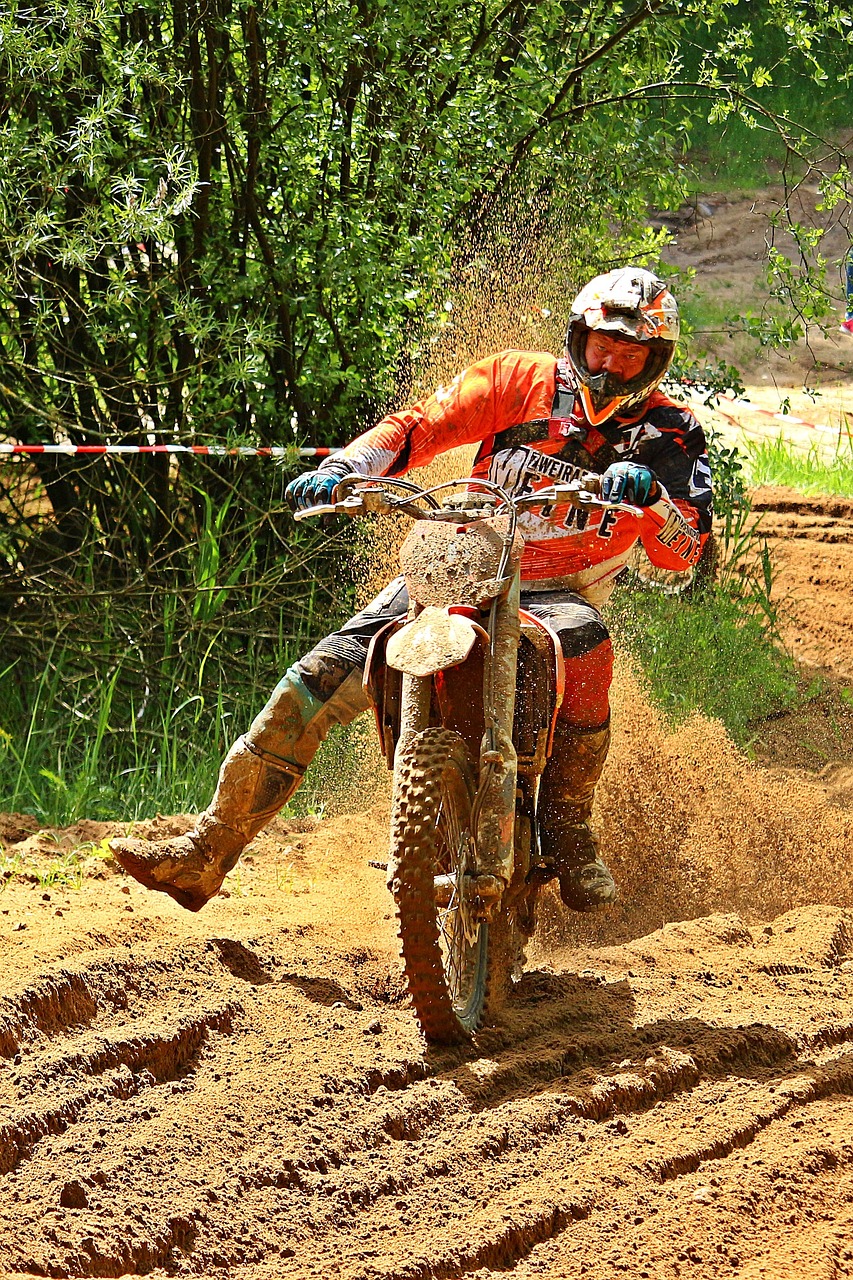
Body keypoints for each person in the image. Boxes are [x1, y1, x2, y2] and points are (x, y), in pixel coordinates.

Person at [111, 267, 713, 914]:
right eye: (602, 345)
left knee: (589, 649)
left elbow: (684, 553)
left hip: (561, 590)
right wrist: (345, 466)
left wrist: (653, 498)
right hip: (461, 560)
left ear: (655, 360)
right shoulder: (519, 379)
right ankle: (205, 851)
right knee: (312, 681)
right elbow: (416, 427)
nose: (612, 363)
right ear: (578, 337)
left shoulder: (671, 431)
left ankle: (570, 827)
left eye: (630, 354)